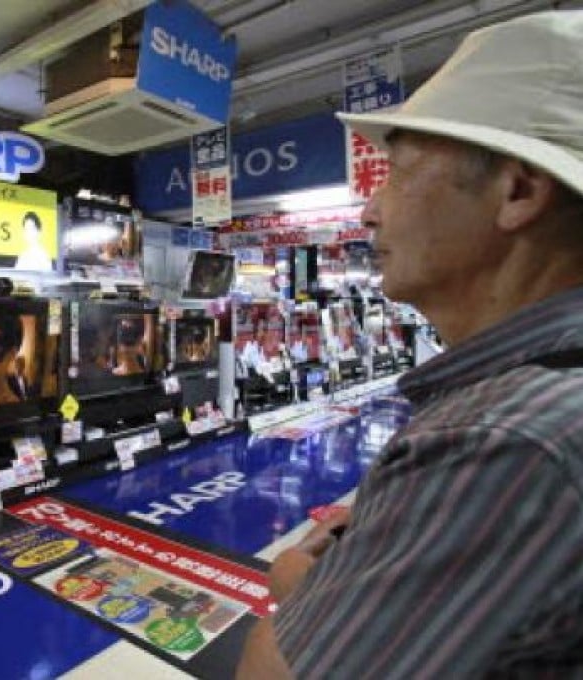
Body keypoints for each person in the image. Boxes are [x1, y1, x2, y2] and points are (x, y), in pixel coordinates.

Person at [238, 11, 583, 677]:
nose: (369, 210)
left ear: (517, 190)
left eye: (394, 171)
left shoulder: (502, 441)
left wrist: (297, 579)